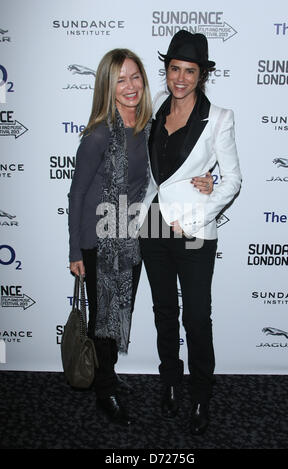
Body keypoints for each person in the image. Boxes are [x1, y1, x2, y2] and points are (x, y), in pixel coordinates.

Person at [68, 47, 213, 427]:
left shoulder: (149, 126)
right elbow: (77, 194)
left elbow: (173, 169)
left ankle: (110, 374)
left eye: (135, 77)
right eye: (120, 79)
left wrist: (208, 179)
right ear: (107, 86)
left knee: (120, 315)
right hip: (99, 238)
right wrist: (75, 250)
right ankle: (105, 391)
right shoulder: (99, 135)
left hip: (133, 235)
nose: (130, 86)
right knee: (103, 320)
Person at [139, 30, 242, 435]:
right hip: (151, 225)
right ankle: (169, 383)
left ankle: (201, 393)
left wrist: (201, 212)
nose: (181, 78)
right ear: (166, 70)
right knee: (164, 311)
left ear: (202, 75)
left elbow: (232, 180)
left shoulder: (218, 118)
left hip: (194, 231)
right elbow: (151, 175)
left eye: (190, 71)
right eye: (175, 69)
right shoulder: (153, 114)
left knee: (197, 316)